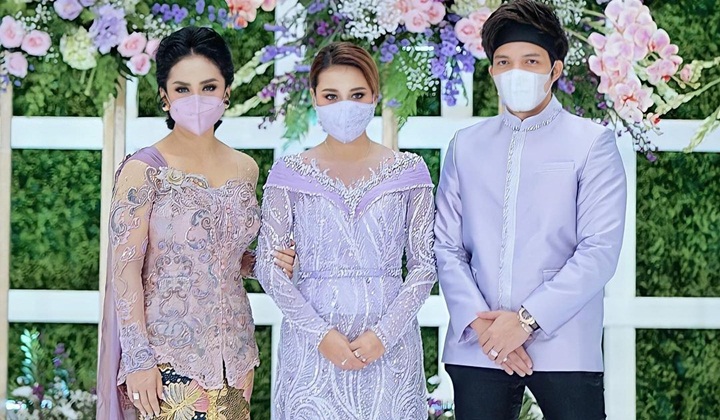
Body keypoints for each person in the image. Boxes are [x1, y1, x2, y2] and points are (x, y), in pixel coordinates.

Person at [435, 1, 627, 419]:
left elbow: (598, 251)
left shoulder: (591, 143)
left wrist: (525, 321)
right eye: (504, 62)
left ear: (555, 70)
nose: (516, 71)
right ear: (491, 71)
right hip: (479, 344)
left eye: (531, 61)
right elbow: (446, 246)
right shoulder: (465, 146)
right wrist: (484, 327)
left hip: (565, 342)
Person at [96, 26, 296, 420]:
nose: (197, 99)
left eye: (208, 87)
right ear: (164, 96)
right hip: (166, 358)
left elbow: (228, 256)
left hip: (236, 357)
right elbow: (124, 270)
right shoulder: (144, 170)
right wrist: (138, 360)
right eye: (182, 89)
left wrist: (268, 263)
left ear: (226, 92)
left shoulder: (246, 168)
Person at [255, 41, 437, 419]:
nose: (344, 106)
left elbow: (424, 266)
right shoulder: (288, 173)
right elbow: (267, 267)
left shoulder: (409, 171)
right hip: (312, 349)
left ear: (375, 95)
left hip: (390, 349)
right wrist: (320, 335)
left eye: (356, 95)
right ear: (314, 98)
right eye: (331, 96)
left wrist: (383, 336)